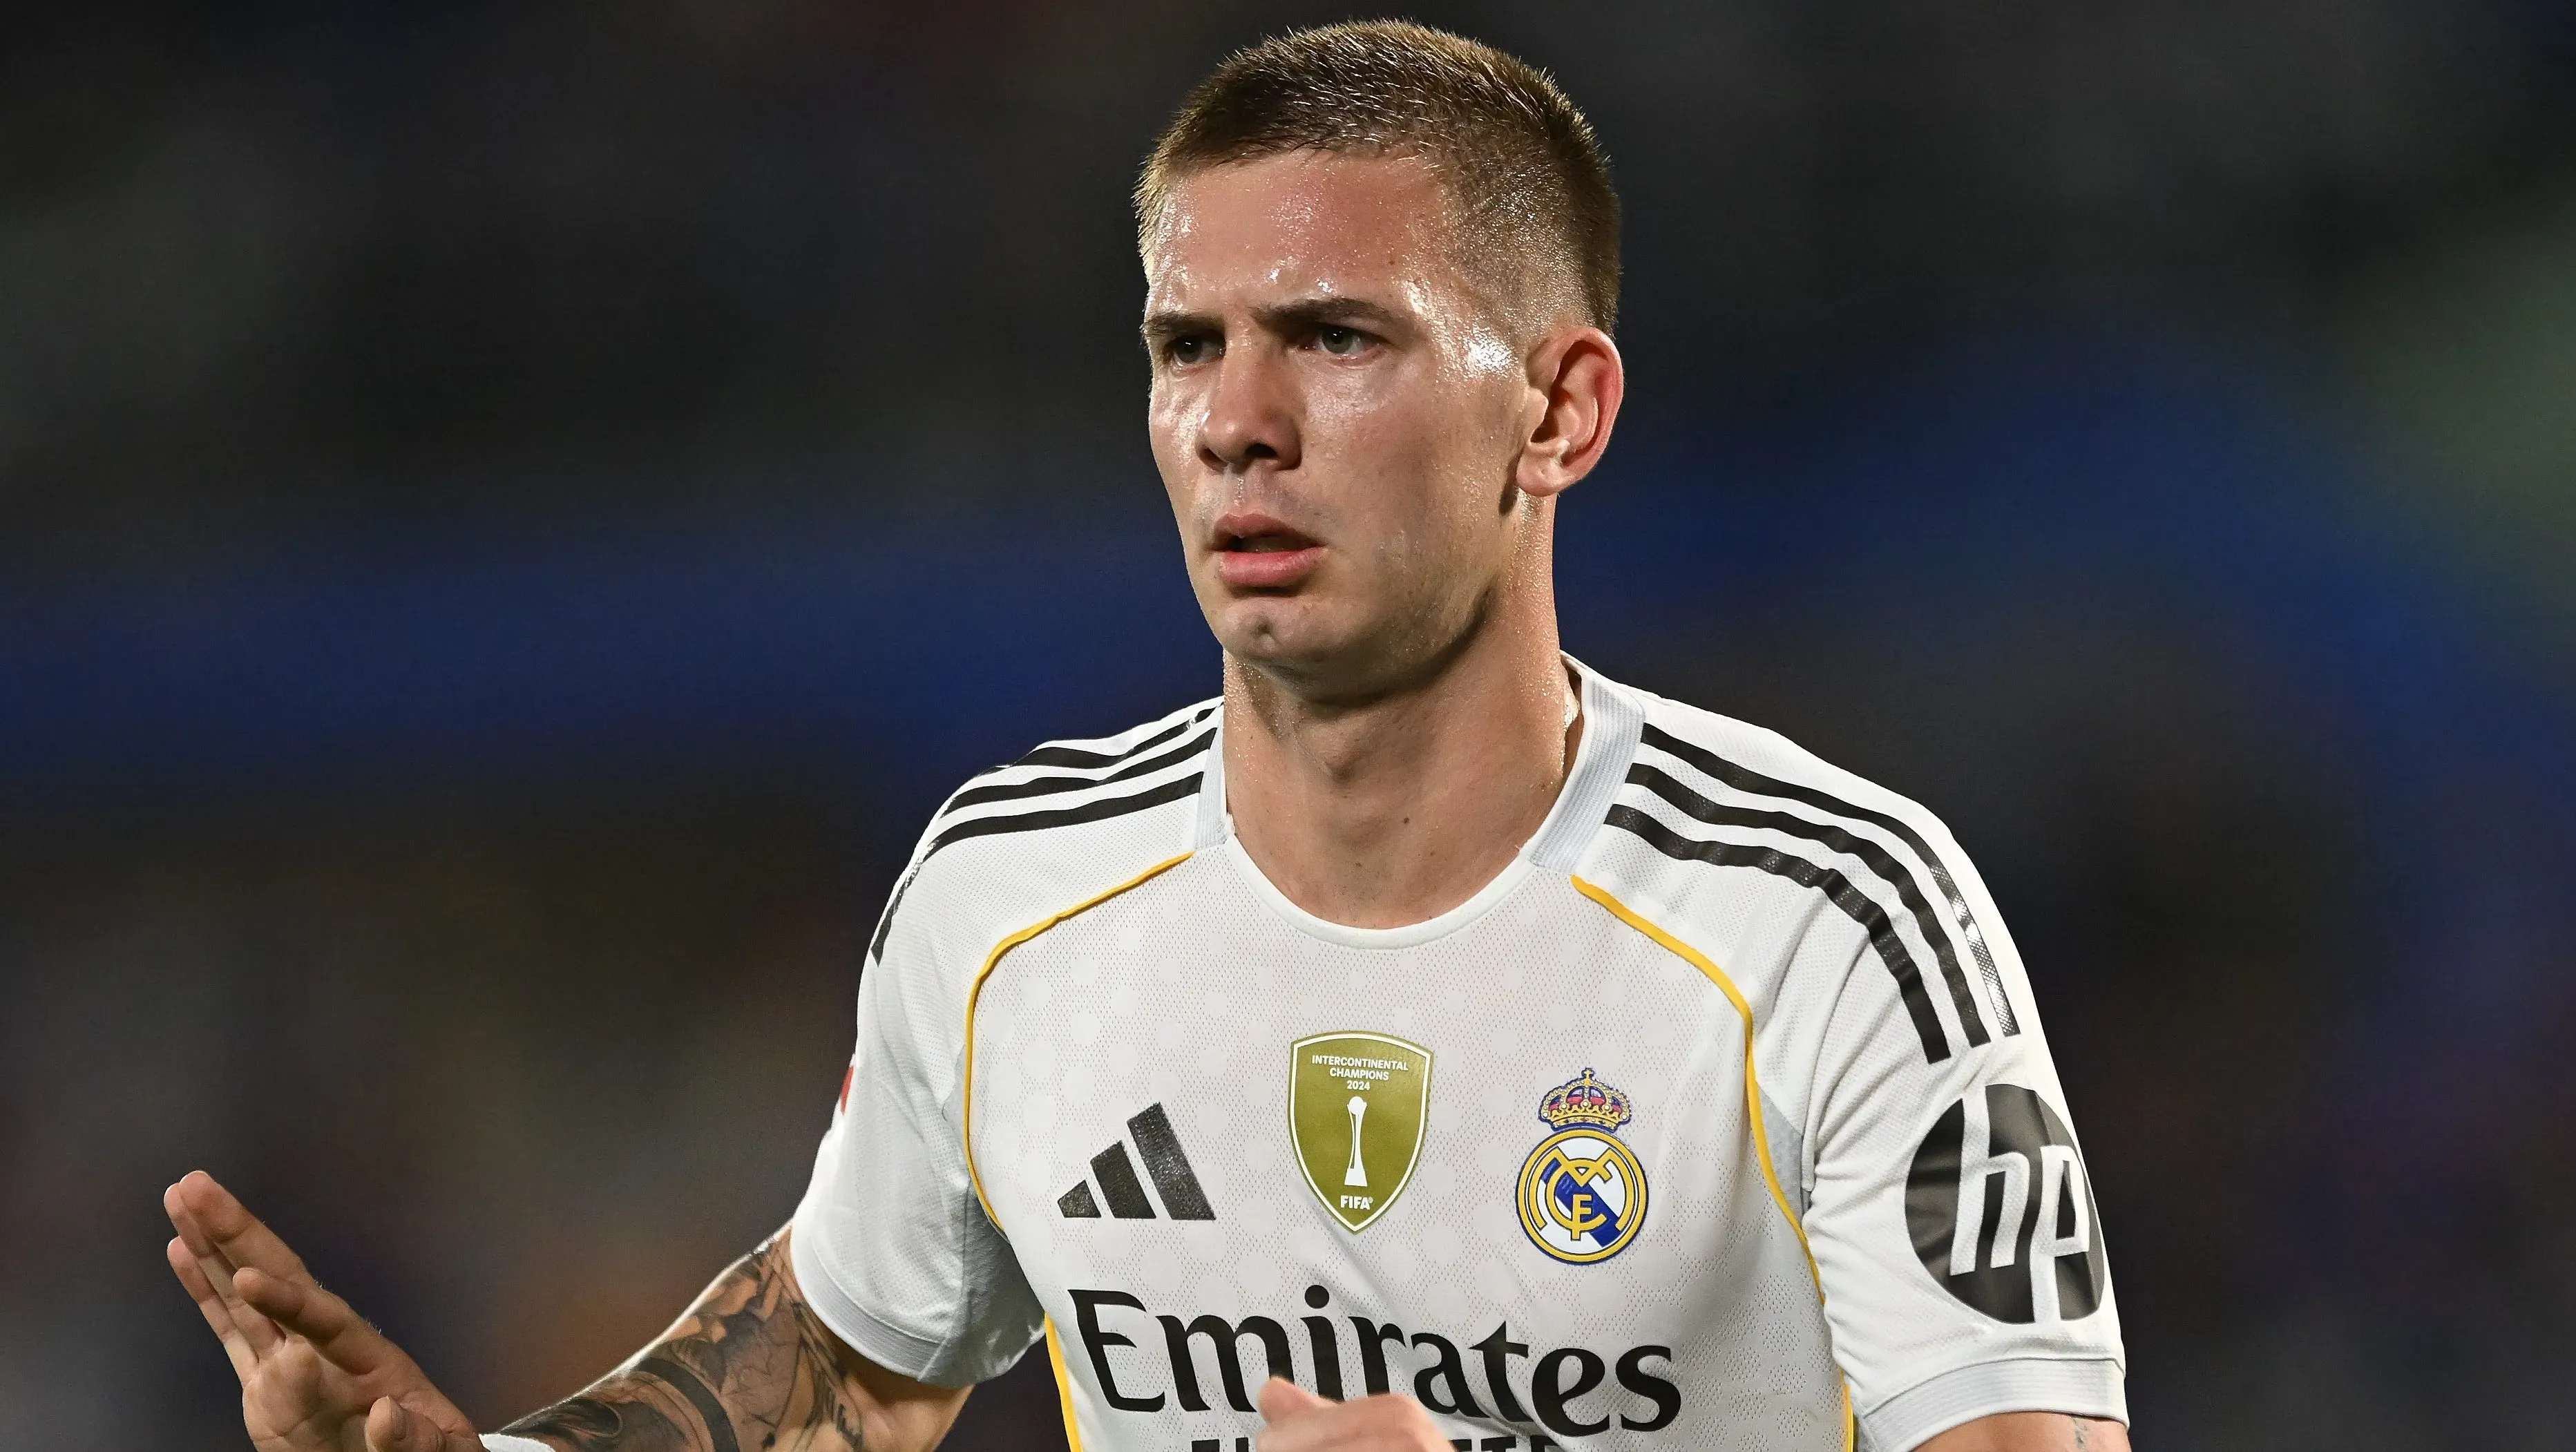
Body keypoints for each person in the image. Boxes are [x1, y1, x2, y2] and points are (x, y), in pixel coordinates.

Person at [164, 21, 2129, 1452]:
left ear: (1561, 411)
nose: (1235, 420)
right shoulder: (1010, 895)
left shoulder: (1830, 916)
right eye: (1191, 346)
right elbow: (852, 1366)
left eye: (1338, 337)